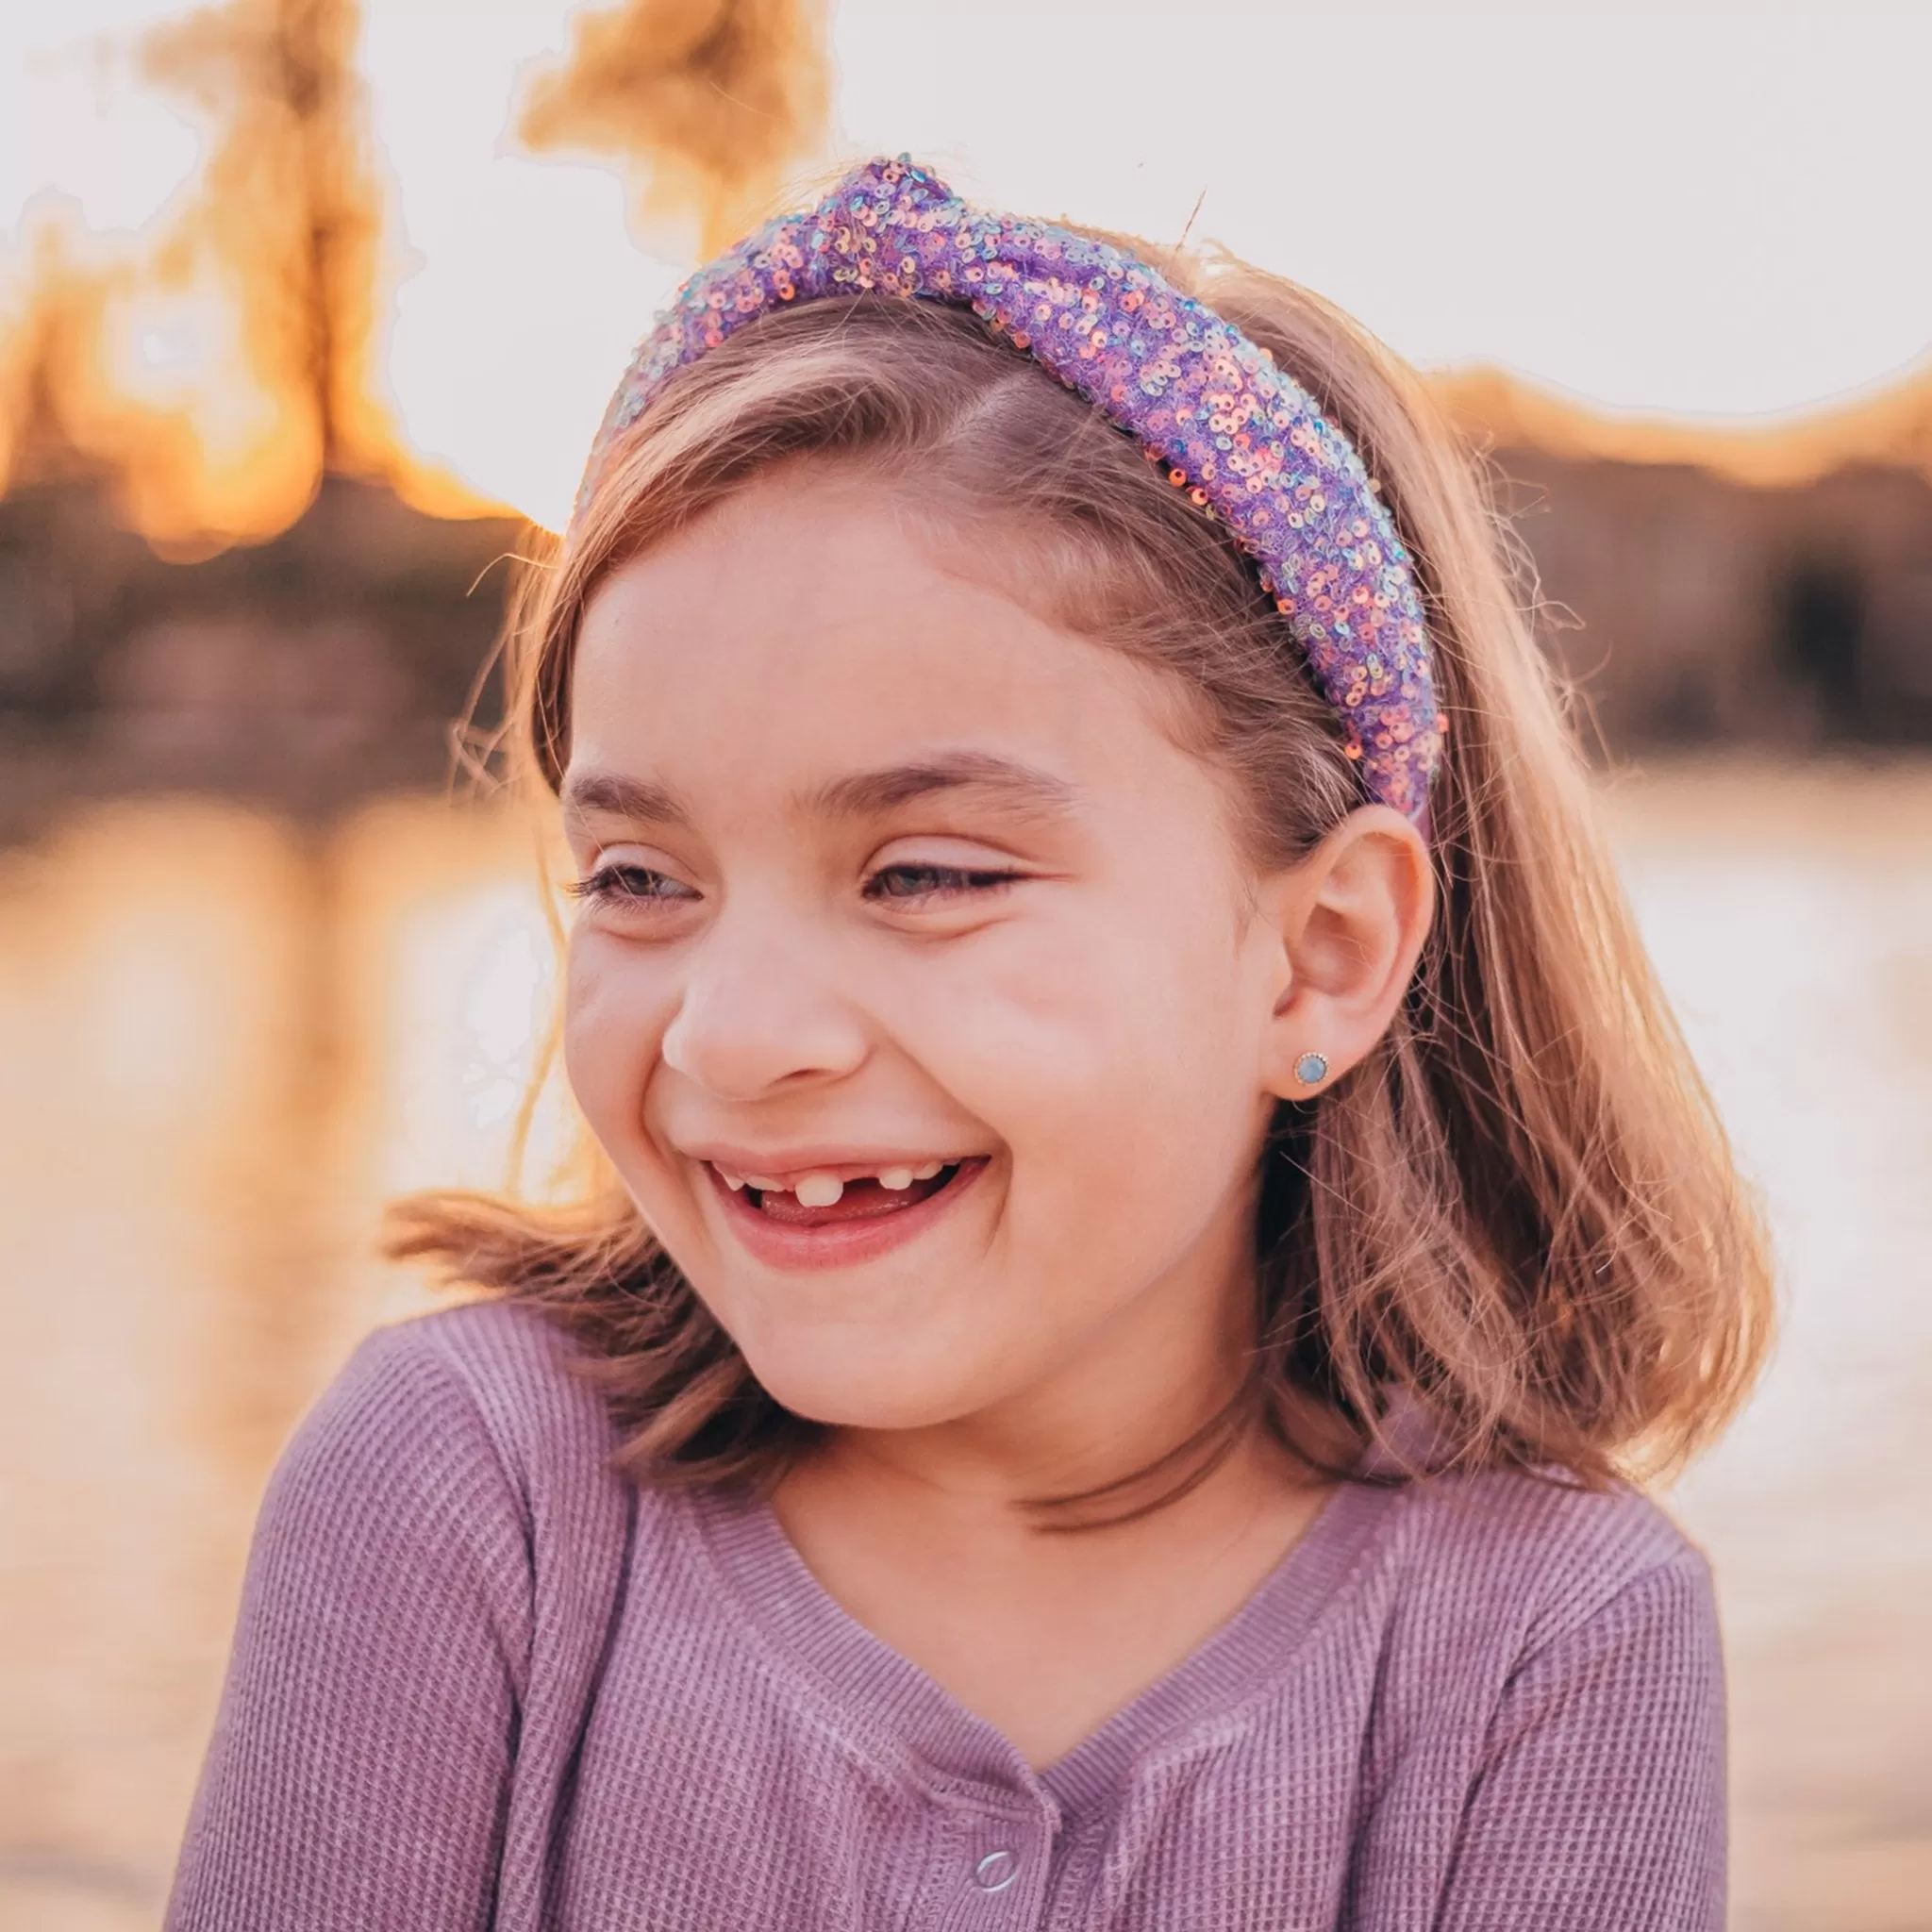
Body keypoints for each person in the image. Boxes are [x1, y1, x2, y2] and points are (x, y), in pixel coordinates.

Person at [166, 157, 1773, 1931]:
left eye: (924, 872)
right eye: (640, 874)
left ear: (1319, 957)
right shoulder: (462, 1501)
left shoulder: (1552, 1647)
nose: (739, 1032)